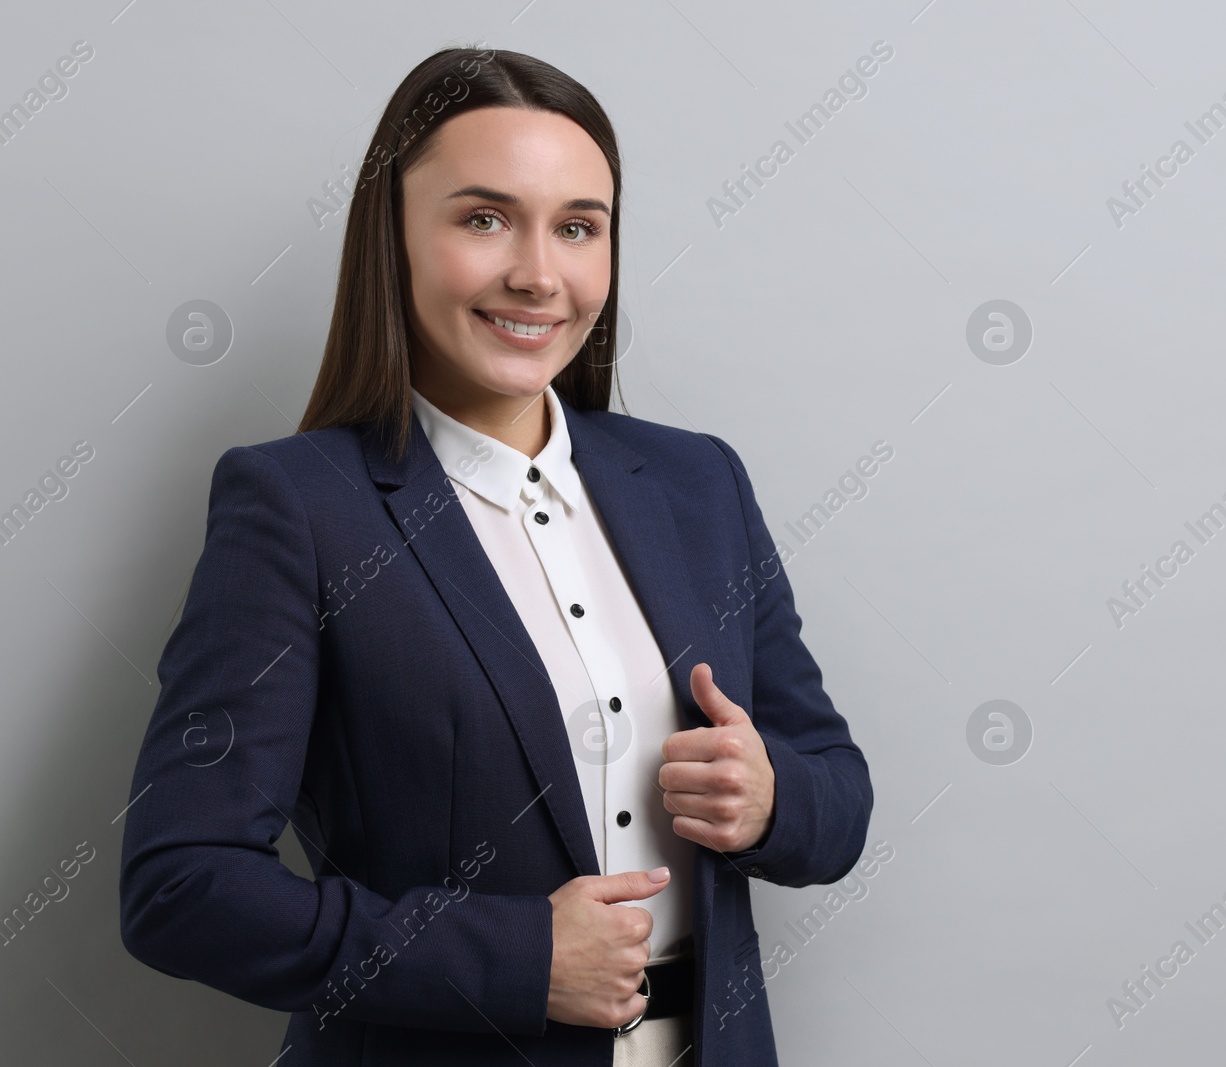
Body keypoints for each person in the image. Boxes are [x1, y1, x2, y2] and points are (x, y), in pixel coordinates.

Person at [117, 43, 873, 1067]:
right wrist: (515, 955)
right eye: (483, 218)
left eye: (577, 227)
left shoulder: (698, 485)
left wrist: (772, 793)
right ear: (395, 239)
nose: (537, 272)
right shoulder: (297, 506)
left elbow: (838, 795)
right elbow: (181, 885)